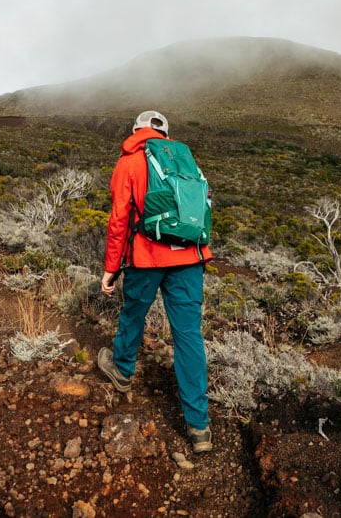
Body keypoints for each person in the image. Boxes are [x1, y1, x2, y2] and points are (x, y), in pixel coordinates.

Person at [98, 110, 213, 453]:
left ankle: (121, 371)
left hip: (147, 256)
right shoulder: (186, 160)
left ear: (137, 130)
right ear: (165, 133)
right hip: (190, 258)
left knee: (134, 314)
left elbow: (119, 219)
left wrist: (111, 267)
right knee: (189, 336)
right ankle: (199, 427)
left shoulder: (130, 161)